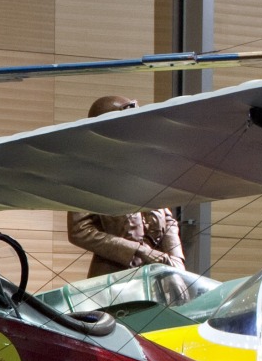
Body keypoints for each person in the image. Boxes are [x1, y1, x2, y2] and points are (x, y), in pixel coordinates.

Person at [66, 95, 187, 272]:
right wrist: (139, 251)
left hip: (157, 277)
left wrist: (176, 259)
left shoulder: (147, 166)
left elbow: (167, 218)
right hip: (112, 280)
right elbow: (79, 230)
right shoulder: (88, 173)